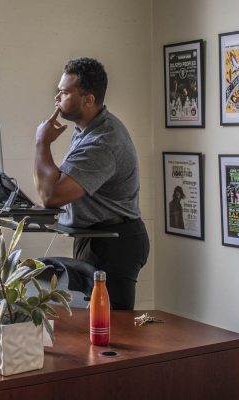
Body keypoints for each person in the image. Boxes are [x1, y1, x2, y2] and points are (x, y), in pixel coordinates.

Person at [33, 57, 149, 311]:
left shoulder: (103, 141)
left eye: (64, 92)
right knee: (89, 323)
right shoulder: (86, 130)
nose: (57, 97)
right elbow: (56, 186)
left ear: (89, 99)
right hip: (95, 236)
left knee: (112, 328)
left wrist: (42, 143)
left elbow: (52, 195)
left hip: (115, 243)